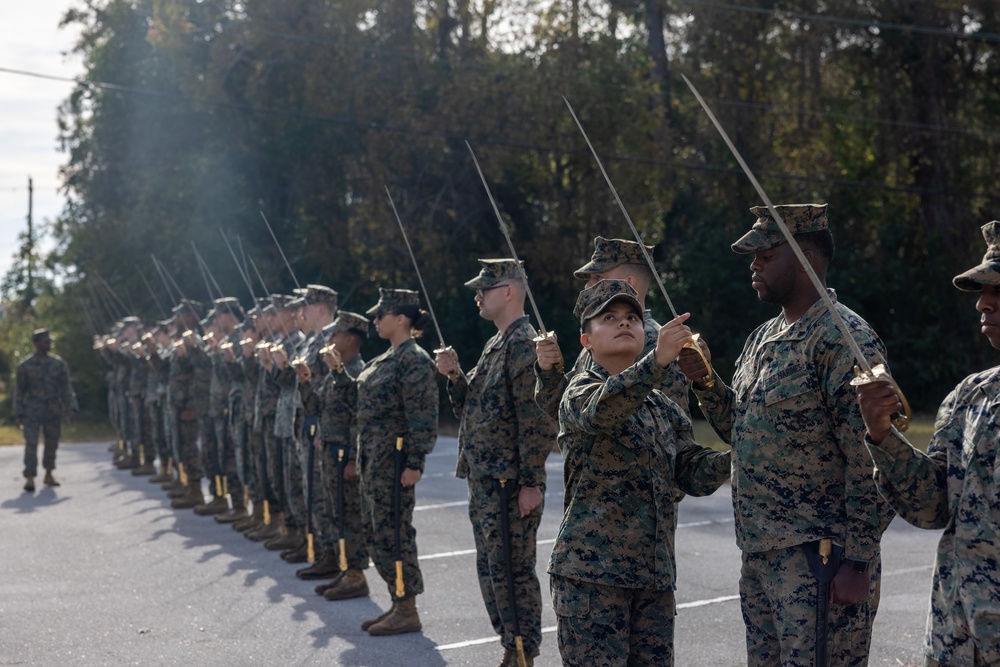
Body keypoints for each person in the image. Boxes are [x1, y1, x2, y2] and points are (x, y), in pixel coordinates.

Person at [677, 203, 895, 666]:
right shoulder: (764, 338)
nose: (754, 264)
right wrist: (705, 382)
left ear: (807, 259)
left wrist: (857, 562)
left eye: (766, 254)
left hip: (820, 559)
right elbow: (743, 430)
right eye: (753, 256)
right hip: (760, 553)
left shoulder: (842, 338)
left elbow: (873, 457)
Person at [549, 279, 730, 666]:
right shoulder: (580, 391)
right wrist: (658, 361)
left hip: (653, 580)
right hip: (592, 579)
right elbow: (605, 411)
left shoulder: (662, 406)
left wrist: (742, 455)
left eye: (632, 317)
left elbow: (690, 470)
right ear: (587, 342)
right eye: (609, 318)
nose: (624, 323)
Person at [856, 220, 1000, 667]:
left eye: (997, 291)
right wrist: (882, 432)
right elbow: (931, 507)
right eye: (981, 290)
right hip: (956, 639)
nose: (982, 303)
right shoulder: (970, 396)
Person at [435, 259, 557, 667]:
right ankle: (511, 645)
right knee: (492, 568)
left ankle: (522, 652)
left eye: (484, 289)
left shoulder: (524, 343)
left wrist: (531, 482)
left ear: (509, 291)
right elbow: (473, 405)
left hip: (508, 482)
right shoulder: (498, 342)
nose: (477, 295)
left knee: (511, 570)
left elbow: (536, 417)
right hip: (487, 479)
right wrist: (455, 377)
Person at [535, 236, 693, 421]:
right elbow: (566, 412)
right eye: (610, 317)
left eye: (598, 278)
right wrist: (549, 371)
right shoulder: (604, 336)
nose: (587, 286)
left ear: (628, 283)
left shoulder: (657, 343)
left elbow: (673, 430)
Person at [355, 288, 439, 636]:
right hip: (374, 460)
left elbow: (422, 415)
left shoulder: (414, 360)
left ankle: (407, 607)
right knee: (377, 533)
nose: (375, 321)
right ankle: (396, 600)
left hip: (394, 462)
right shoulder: (388, 357)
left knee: (395, 534)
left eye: (381, 315)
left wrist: (415, 462)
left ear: (401, 319)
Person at [15, 328, 78, 492]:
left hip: (52, 408)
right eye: (45, 342)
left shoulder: (58, 364)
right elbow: (20, 391)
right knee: (31, 443)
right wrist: (18, 412)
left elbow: (66, 387)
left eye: (50, 341)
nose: (49, 344)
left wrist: (71, 407)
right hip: (32, 409)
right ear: (36, 344)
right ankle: (30, 476)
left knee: (52, 441)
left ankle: (49, 473)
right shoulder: (25, 366)